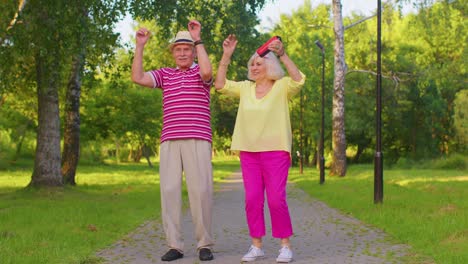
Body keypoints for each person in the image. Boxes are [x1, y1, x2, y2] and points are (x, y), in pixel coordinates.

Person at [214, 34, 306, 263]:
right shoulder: (245, 88)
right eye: (251, 64)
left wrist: (283, 54)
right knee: (252, 199)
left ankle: (285, 245)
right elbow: (219, 85)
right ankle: (257, 245)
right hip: (249, 153)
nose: (254, 67)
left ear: (270, 65)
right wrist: (226, 55)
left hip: (276, 152)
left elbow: (299, 80)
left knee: (276, 199)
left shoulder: (282, 87)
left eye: (259, 63)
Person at [131, 20, 214, 262]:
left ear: (193, 51)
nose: (182, 53)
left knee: (200, 192)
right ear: (172, 53)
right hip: (169, 139)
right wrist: (139, 46)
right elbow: (137, 77)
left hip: (198, 138)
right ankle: (175, 246)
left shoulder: (201, 70)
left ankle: (205, 244)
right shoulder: (165, 74)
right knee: (169, 192)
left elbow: (208, 73)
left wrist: (197, 39)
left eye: (186, 49)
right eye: (178, 49)